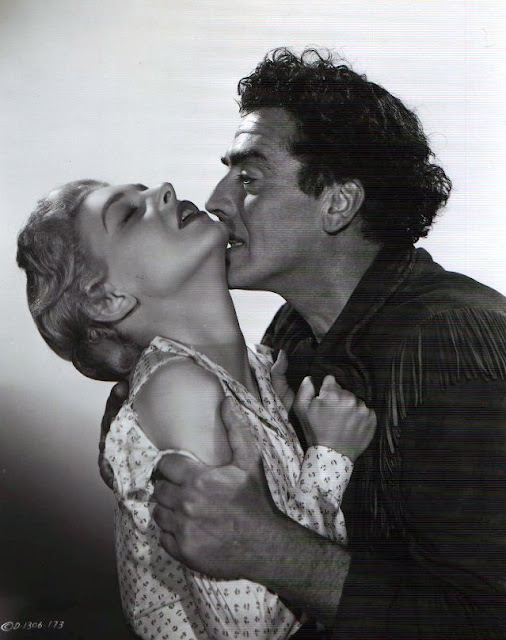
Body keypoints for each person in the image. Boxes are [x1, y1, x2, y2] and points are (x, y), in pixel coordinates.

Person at [100, 48, 506, 638]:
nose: (215, 200)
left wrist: (275, 552)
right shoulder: (292, 330)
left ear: (337, 203)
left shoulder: (457, 344)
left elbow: (489, 619)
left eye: (249, 178)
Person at [17, 179, 376, 640]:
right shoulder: (179, 390)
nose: (165, 190)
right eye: (127, 214)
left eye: (146, 191)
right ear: (108, 299)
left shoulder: (257, 368)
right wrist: (330, 456)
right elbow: (254, 628)